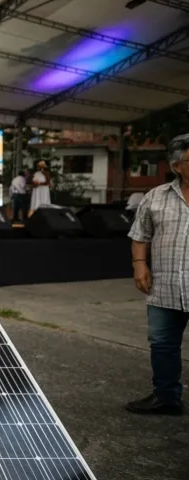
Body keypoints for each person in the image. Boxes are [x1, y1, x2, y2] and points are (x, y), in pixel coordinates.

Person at [125, 133, 189, 416]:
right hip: (165, 286)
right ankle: (166, 397)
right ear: (177, 166)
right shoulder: (156, 196)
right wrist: (140, 264)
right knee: (162, 344)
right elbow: (141, 234)